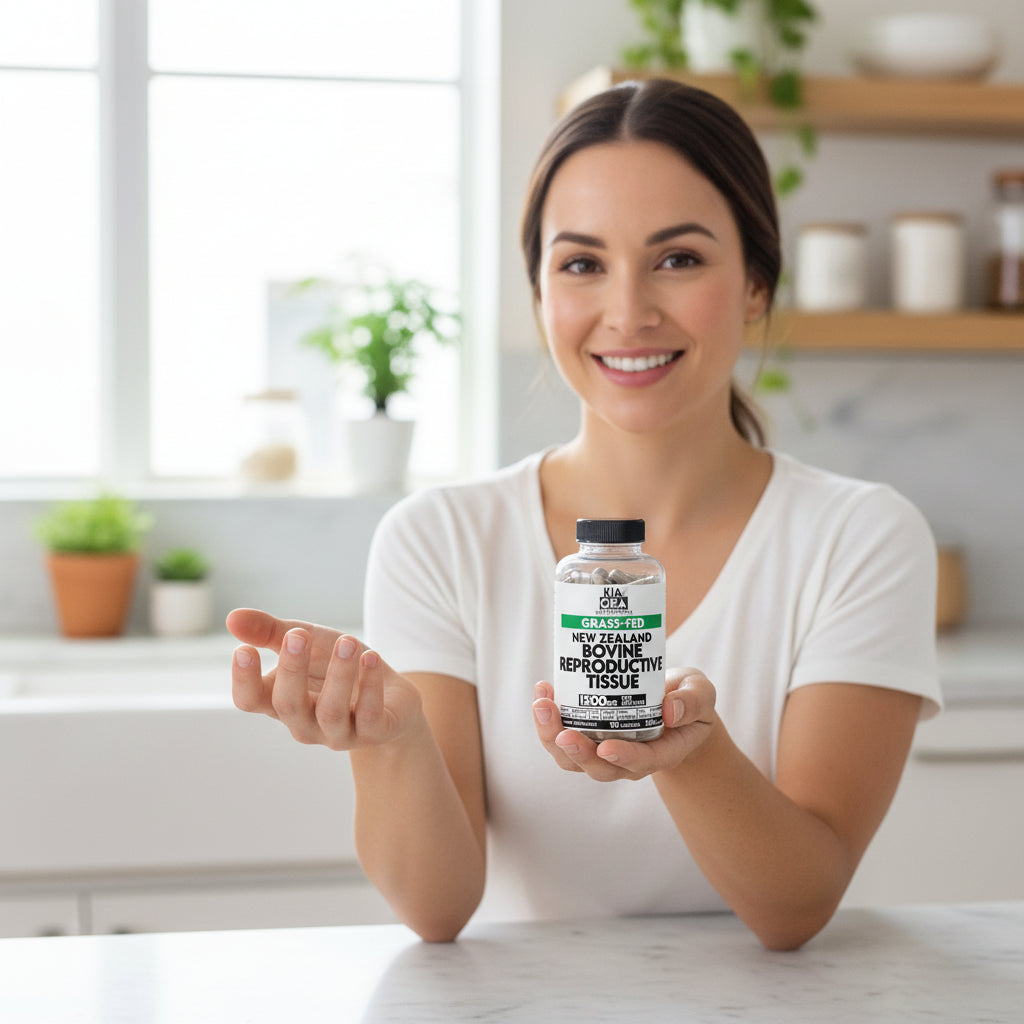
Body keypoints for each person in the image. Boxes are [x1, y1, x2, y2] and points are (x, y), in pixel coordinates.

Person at [228, 77, 941, 951]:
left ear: (757, 284)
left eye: (678, 258)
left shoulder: (860, 538)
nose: (628, 311)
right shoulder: (441, 540)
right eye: (581, 263)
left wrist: (690, 752)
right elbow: (437, 908)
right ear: (538, 295)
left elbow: (796, 906)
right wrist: (393, 742)